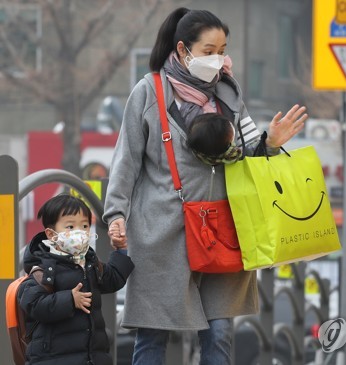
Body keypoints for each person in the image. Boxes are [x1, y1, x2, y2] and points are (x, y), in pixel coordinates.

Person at [103, 7, 307, 365]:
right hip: (161, 233)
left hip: (223, 230)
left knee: (220, 333)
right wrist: (116, 214)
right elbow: (126, 161)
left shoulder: (228, 94)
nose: (218, 59)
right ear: (183, 50)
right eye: (208, 51)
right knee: (152, 334)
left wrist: (271, 142)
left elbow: (246, 160)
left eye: (222, 49)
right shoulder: (149, 92)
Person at [18, 194, 135, 365]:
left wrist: (121, 250)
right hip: (53, 358)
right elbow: (34, 305)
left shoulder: (88, 262)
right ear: (51, 234)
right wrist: (70, 299)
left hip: (92, 357)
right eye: (70, 226)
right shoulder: (44, 268)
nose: (79, 232)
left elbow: (112, 279)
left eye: (85, 225)